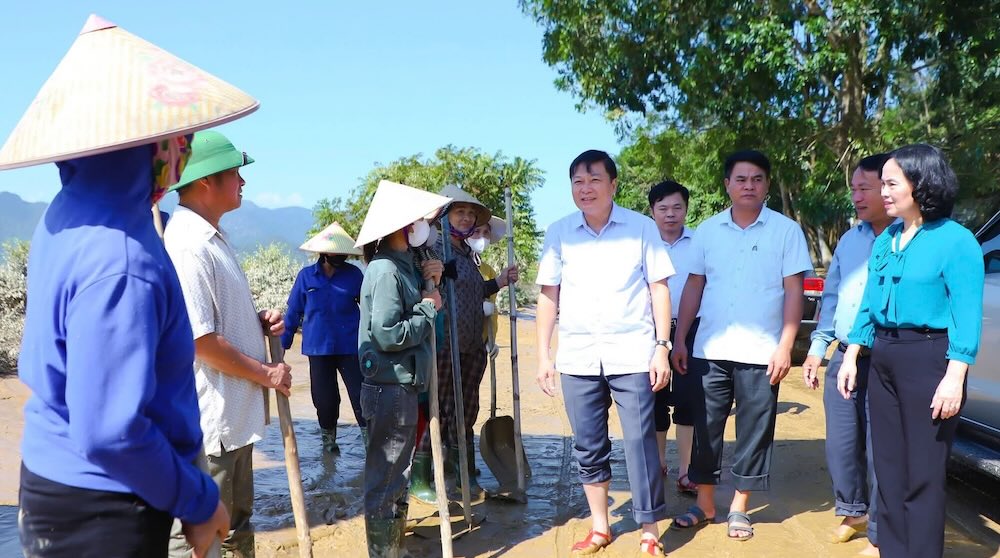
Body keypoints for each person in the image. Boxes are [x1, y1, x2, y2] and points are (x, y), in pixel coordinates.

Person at [4, 15, 257, 557]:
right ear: (152, 145)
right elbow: (111, 431)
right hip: (104, 502)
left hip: (57, 478)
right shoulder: (122, 259)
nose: (183, 152)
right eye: (179, 139)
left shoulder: (70, 213)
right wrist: (196, 498)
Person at [839, 144, 984, 558]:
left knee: (922, 472)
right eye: (881, 183)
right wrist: (852, 352)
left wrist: (954, 377)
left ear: (920, 184)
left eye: (890, 183)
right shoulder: (887, 238)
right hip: (883, 355)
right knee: (888, 468)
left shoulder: (956, 242)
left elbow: (966, 314)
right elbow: (870, 300)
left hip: (930, 359)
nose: (882, 192)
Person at [536, 150, 674, 556]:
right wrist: (544, 355)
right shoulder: (560, 232)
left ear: (613, 184)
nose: (586, 188)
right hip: (578, 356)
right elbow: (548, 296)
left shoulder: (642, 228)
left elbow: (659, 289)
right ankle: (601, 527)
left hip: (633, 353)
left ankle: (649, 529)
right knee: (588, 444)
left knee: (640, 441)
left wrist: (662, 348)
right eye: (578, 181)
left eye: (594, 179)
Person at [670, 150, 811, 541]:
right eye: (741, 179)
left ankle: (740, 508)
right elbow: (694, 285)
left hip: (762, 352)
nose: (749, 185)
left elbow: (794, 291)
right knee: (705, 428)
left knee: (755, 430)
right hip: (710, 350)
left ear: (766, 185)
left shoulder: (786, 231)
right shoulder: (709, 231)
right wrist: (681, 338)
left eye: (757, 179)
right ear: (727, 185)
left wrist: (786, 346)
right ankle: (705, 502)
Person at [164, 130, 292, 557]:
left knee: (235, 527)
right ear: (205, 181)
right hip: (211, 420)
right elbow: (200, 342)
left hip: (234, 417)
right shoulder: (188, 245)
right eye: (235, 172)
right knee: (200, 536)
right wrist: (268, 374)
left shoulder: (213, 238)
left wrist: (256, 325)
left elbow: (216, 323)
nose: (243, 181)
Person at [802, 154, 892, 556]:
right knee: (841, 441)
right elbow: (833, 295)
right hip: (845, 355)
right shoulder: (851, 239)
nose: (856, 196)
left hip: (886, 354)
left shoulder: (906, 238)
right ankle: (853, 510)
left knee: (880, 446)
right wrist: (818, 349)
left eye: (864, 188)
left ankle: (880, 526)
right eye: (853, 188)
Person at [354, 179, 449, 557]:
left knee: (397, 474)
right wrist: (429, 307)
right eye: (416, 220)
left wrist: (432, 280)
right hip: (389, 386)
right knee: (387, 476)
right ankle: (384, 552)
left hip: (402, 385)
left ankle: (392, 546)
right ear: (400, 227)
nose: (422, 226)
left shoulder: (404, 266)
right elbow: (388, 334)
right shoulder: (384, 271)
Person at [431, 185, 517, 498]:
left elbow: (474, 292)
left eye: (470, 213)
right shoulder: (434, 248)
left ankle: (465, 476)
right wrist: (435, 275)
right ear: (445, 215)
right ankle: (441, 478)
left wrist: (499, 282)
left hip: (471, 345)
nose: (466, 218)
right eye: (459, 211)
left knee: (467, 412)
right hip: (443, 345)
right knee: (442, 411)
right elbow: (422, 290)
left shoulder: (467, 253)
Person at [282, 222, 367, 452]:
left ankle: (371, 445)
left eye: (343, 253)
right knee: (325, 400)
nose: (340, 256)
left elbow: (369, 310)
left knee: (362, 398)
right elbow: (293, 313)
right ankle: (329, 445)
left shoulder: (354, 275)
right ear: (323, 252)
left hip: (350, 347)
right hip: (318, 349)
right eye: (335, 252)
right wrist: (282, 348)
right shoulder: (306, 277)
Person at [647, 180, 701, 496]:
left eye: (677, 207)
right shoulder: (643, 242)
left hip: (691, 329)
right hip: (651, 330)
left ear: (686, 209)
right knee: (653, 397)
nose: (670, 214)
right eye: (663, 208)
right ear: (652, 211)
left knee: (687, 398)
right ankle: (657, 464)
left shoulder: (699, 242)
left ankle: (685, 469)